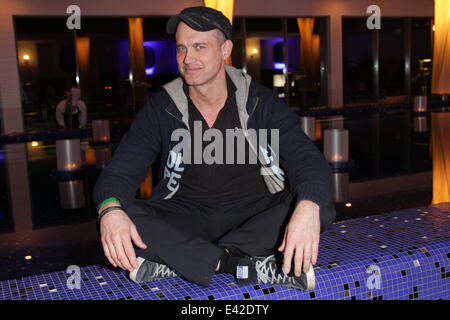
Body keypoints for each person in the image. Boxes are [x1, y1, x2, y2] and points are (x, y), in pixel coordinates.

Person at [93, 6, 336, 290]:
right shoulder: (162, 108)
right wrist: (110, 211)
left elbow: (308, 160)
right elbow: (119, 173)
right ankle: (239, 264)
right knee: (114, 215)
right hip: (184, 218)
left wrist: (307, 207)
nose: (187, 58)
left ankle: (183, 260)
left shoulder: (260, 103)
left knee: (318, 205)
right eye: (181, 48)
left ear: (225, 49)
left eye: (199, 47)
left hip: (251, 217)